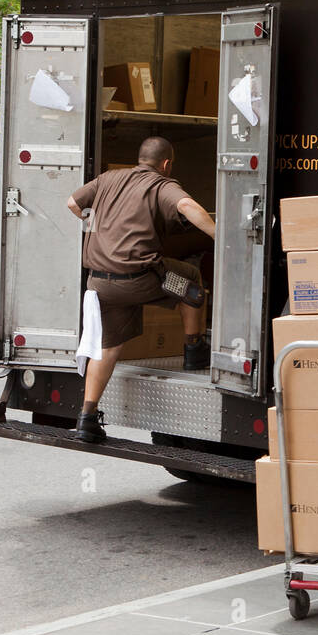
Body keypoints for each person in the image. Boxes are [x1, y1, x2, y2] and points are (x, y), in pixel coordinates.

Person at [65, 136, 217, 441]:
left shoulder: (109, 178)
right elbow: (186, 205)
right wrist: (220, 235)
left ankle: (87, 417)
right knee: (191, 282)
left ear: (139, 158)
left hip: (100, 282)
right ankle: (193, 349)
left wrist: (98, 225)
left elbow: (72, 202)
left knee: (107, 348)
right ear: (166, 164)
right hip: (142, 279)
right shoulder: (161, 184)